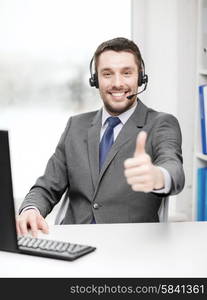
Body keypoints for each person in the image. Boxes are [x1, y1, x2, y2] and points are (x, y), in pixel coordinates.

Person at [16, 37, 185, 237]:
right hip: (73, 244)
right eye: (107, 74)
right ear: (95, 80)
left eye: (127, 73)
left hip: (129, 248)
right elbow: (47, 186)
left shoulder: (160, 124)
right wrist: (31, 210)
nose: (117, 83)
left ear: (141, 78)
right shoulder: (75, 126)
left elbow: (173, 168)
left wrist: (158, 176)